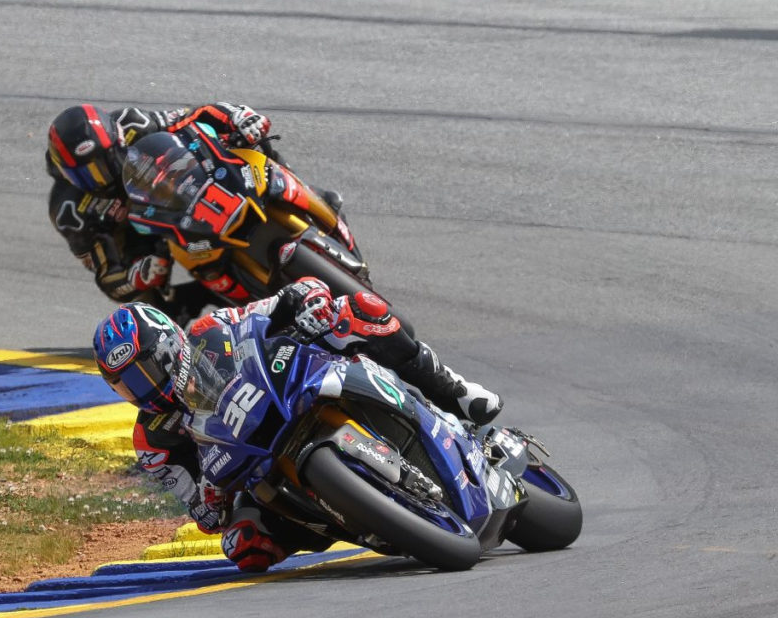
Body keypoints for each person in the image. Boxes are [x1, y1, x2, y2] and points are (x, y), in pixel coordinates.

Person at [92, 277, 502, 572]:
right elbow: (203, 514)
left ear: (167, 346)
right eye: (128, 384)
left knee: (358, 310)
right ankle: (362, 521)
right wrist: (211, 496)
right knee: (243, 546)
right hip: (251, 467)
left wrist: (304, 300)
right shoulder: (153, 441)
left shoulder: (209, 329)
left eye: (145, 370)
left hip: (288, 388)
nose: (143, 388)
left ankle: (457, 391)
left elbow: (269, 308)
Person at [45, 102, 345, 324]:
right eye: (87, 175)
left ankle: (304, 193)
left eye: (103, 162)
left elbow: (190, 117)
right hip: (148, 235)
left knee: (248, 145)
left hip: (179, 186)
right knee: (145, 308)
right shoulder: (69, 210)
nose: (101, 178)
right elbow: (105, 274)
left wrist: (236, 117)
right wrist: (136, 275)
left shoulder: (129, 123)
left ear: (116, 141)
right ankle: (205, 307)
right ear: (65, 173)